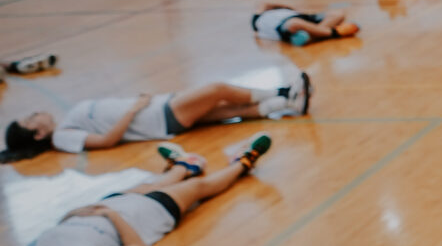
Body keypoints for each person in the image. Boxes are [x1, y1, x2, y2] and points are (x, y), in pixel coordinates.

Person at [3, 137, 269, 246]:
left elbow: (57, 232)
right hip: (145, 217)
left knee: (152, 184)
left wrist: (75, 213)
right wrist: (110, 215)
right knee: (197, 188)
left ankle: (183, 166)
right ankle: (243, 163)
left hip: (110, 206)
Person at [5, 75, 307, 160]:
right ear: (38, 135)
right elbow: (106, 141)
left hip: (160, 109)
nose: (36, 114)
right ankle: (282, 90)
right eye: (30, 120)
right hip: (158, 117)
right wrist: (135, 109)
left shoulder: (65, 125)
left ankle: (287, 104)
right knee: (218, 90)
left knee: (227, 112)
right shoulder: (62, 137)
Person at [252, 5, 360, 45]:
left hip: (302, 18)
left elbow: (267, 4)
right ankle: (334, 32)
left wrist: (293, 9)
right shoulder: (258, 21)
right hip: (286, 24)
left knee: (338, 14)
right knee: (294, 24)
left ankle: (313, 36)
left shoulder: (270, 10)